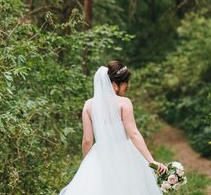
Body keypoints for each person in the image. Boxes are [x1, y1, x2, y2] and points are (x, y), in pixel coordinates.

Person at [59, 60, 167, 195]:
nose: (127, 86)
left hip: (98, 156)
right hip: (126, 155)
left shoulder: (89, 105)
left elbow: (87, 140)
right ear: (115, 84)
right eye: (126, 83)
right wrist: (151, 161)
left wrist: (86, 164)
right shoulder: (124, 103)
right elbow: (134, 133)